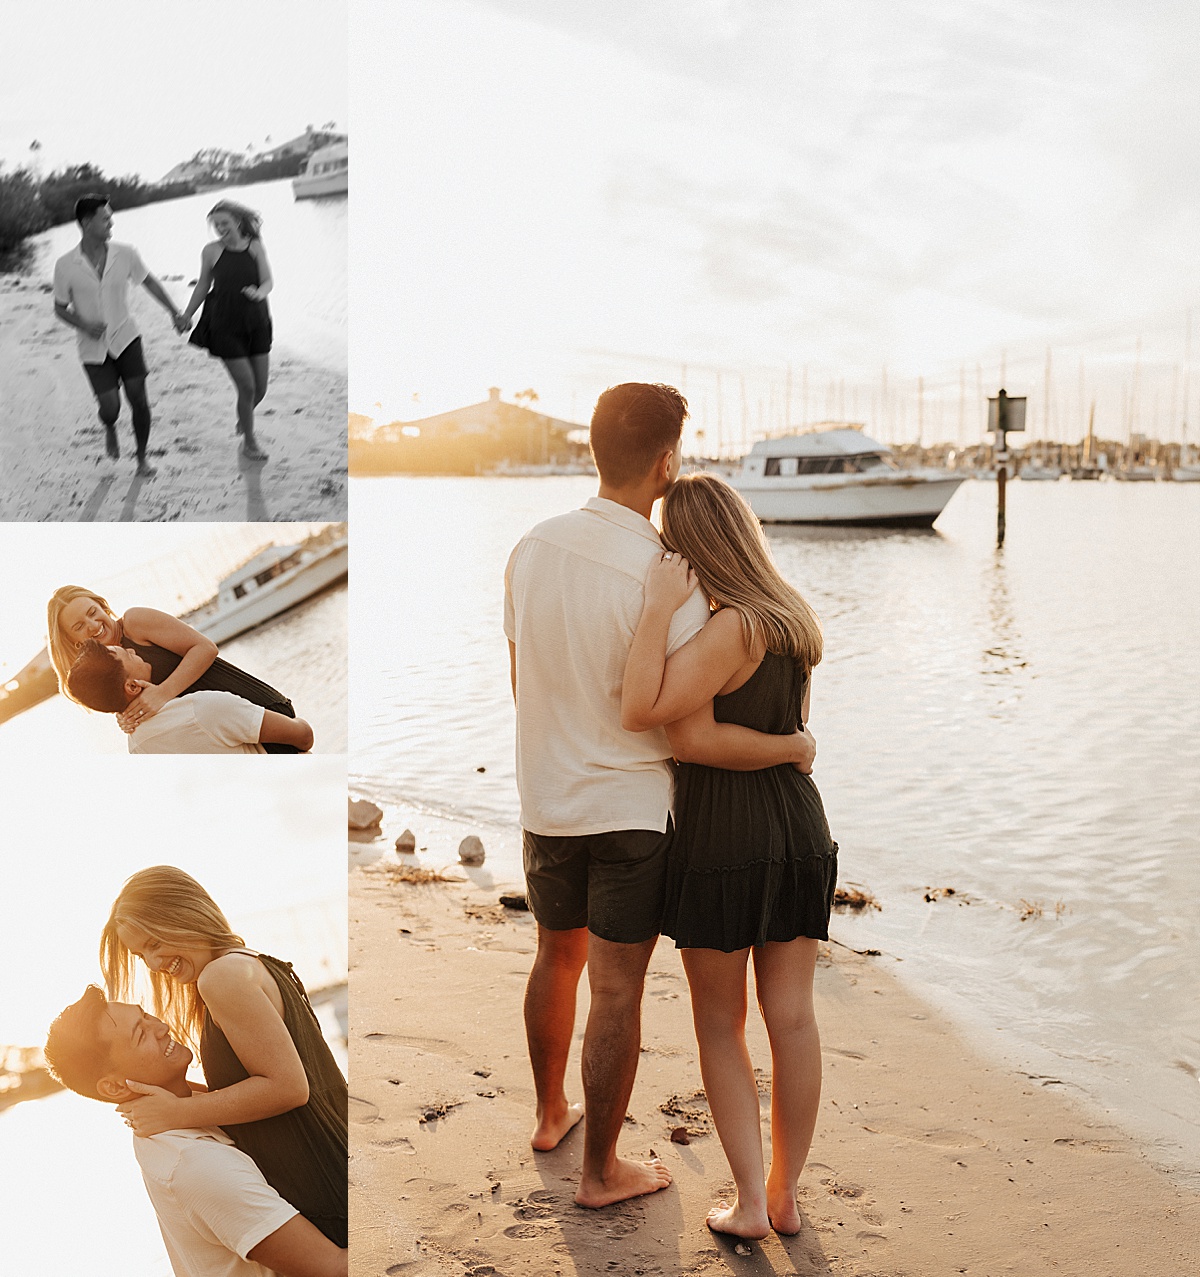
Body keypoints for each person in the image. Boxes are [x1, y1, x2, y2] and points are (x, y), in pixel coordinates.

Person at [504, 382, 816, 1209]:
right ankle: (601, 1171)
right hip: (633, 811)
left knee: (553, 956)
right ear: (668, 461)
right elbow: (681, 722)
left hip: (547, 797)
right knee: (615, 988)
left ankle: (549, 1113)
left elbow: (521, 681)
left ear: (594, 446)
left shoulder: (530, 547)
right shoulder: (667, 575)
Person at [620, 471, 838, 1240]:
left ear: (690, 549)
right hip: (799, 828)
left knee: (722, 1021)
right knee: (794, 1017)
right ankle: (784, 1195)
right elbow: (795, 733)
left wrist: (655, 608)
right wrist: (795, 747)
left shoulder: (729, 628)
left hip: (726, 834)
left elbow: (677, 730)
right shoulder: (793, 618)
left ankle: (750, 1202)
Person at [99, 867, 348, 1248]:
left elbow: (289, 1088)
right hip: (335, 1166)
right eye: (141, 954)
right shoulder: (247, 962)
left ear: (185, 915)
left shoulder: (220, 977)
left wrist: (178, 1113)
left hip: (322, 1187)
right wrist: (172, 1097)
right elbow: (270, 1082)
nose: (152, 963)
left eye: (154, 943)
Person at [44, 987, 347, 1277]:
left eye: (145, 1015)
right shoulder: (195, 1164)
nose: (161, 1027)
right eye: (141, 1034)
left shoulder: (171, 1121)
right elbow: (334, 1268)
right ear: (113, 1087)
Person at [48, 585, 306, 753]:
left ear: (103, 607)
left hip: (258, 711)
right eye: (79, 626)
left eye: (93, 612)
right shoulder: (103, 674)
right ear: (73, 641)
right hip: (228, 738)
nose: (93, 625)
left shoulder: (135, 622)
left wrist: (162, 692)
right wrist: (129, 718)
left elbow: (205, 648)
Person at [52, 194, 185, 477]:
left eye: (111, 218)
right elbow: (59, 308)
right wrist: (83, 325)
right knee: (110, 407)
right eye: (105, 219)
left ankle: (142, 458)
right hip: (92, 347)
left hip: (126, 338)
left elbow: (149, 282)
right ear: (86, 223)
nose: (111, 223)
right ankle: (110, 426)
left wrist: (174, 311)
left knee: (139, 398)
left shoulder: (125, 253)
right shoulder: (65, 265)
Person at [66, 640, 314, 753]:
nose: (131, 649)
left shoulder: (137, 748)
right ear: (132, 686)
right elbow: (304, 736)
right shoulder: (204, 708)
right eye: (126, 655)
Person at [179, 200, 274, 461]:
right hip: (224, 324)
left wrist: (259, 293)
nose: (220, 228)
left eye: (225, 223)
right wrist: (187, 314)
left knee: (260, 389)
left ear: (238, 222)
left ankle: (244, 417)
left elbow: (268, 281)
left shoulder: (255, 246)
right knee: (247, 387)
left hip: (256, 321)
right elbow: (203, 285)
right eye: (216, 225)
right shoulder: (210, 251)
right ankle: (250, 443)